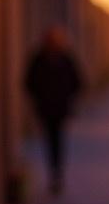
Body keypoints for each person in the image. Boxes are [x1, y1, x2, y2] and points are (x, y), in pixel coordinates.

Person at [25, 26, 83, 195]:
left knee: (57, 137)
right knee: (51, 137)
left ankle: (56, 171)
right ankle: (55, 170)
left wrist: (68, 96)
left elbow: (77, 81)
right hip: (45, 107)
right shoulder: (39, 59)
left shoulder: (66, 59)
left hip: (60, 107)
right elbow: (29, 81)